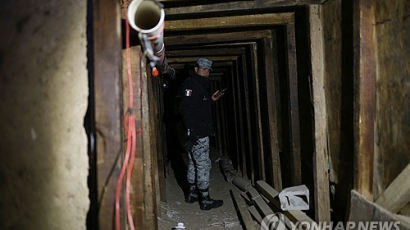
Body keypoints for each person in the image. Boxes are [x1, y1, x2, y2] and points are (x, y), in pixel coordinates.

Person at [180, 57, 225, 210]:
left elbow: (198, 106)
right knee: (203, 165)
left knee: (193, 162)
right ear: (196, 69)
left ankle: (192, 193)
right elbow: (186, 110)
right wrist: (192, 132)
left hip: (195, 132)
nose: (205, 72)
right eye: (202, 69)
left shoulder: (199, 84)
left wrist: (211, 100)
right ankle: (205, 199)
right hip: (198, 133)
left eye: (207, 70)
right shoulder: (191, 84)